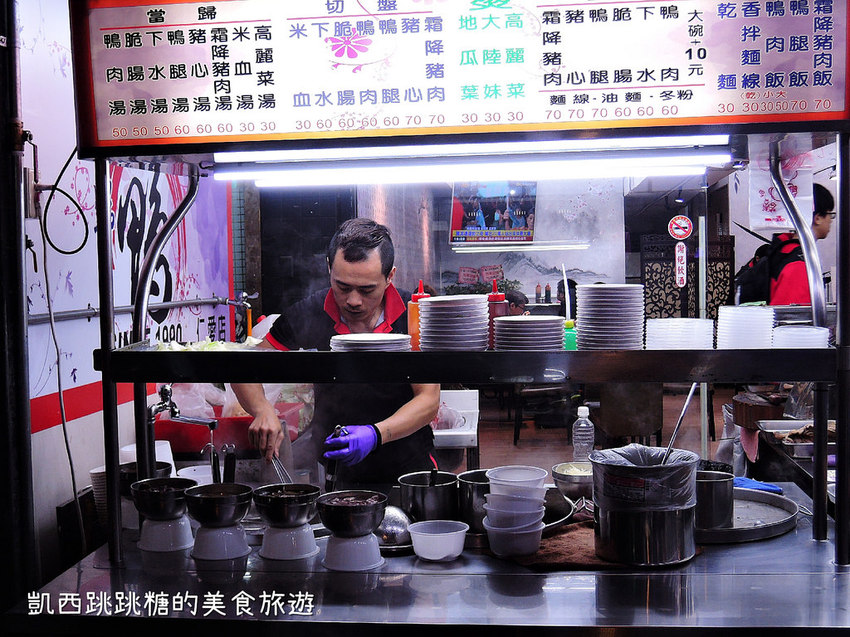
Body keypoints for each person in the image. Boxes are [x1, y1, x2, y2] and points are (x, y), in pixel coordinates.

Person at [232, 219, 440, 490]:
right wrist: (262, 410)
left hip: (409, 471)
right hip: (337, 469)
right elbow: (242, 367)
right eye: (342, 287)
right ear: (329, 267)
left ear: (390, 276)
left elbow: (428, 399)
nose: (353, 300)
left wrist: (375, 434)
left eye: (367, 290)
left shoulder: (412, 316)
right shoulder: (311, 311)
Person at [769, 183, 835, 306]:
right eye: (830, 214)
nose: (831, 220)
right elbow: (794, 315)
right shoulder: (798, 264)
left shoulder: (786, 250)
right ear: (818, 218)